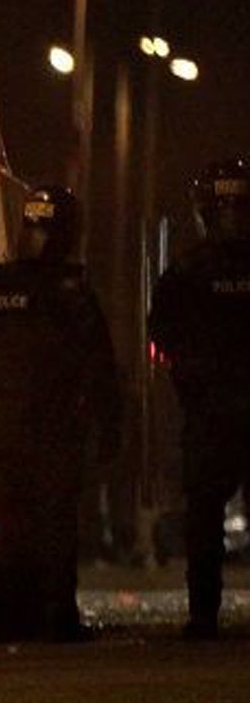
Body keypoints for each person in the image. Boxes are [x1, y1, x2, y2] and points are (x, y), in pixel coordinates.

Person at [0, 185, 120, 641]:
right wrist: (111, 429)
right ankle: (56, 618)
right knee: (54, 526)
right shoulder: (71, 294)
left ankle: (6, 616)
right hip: (51, 431)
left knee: (4, 526)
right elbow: (99, 367)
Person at [147, 157, 250, 639]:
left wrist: (188, 371)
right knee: (203, 516)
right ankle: (203, 615)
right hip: (218, 409)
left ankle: (204, 617)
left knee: (204, 516)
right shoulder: (186, 273)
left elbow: (160, 333)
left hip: (209, 414)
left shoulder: (186, 273)